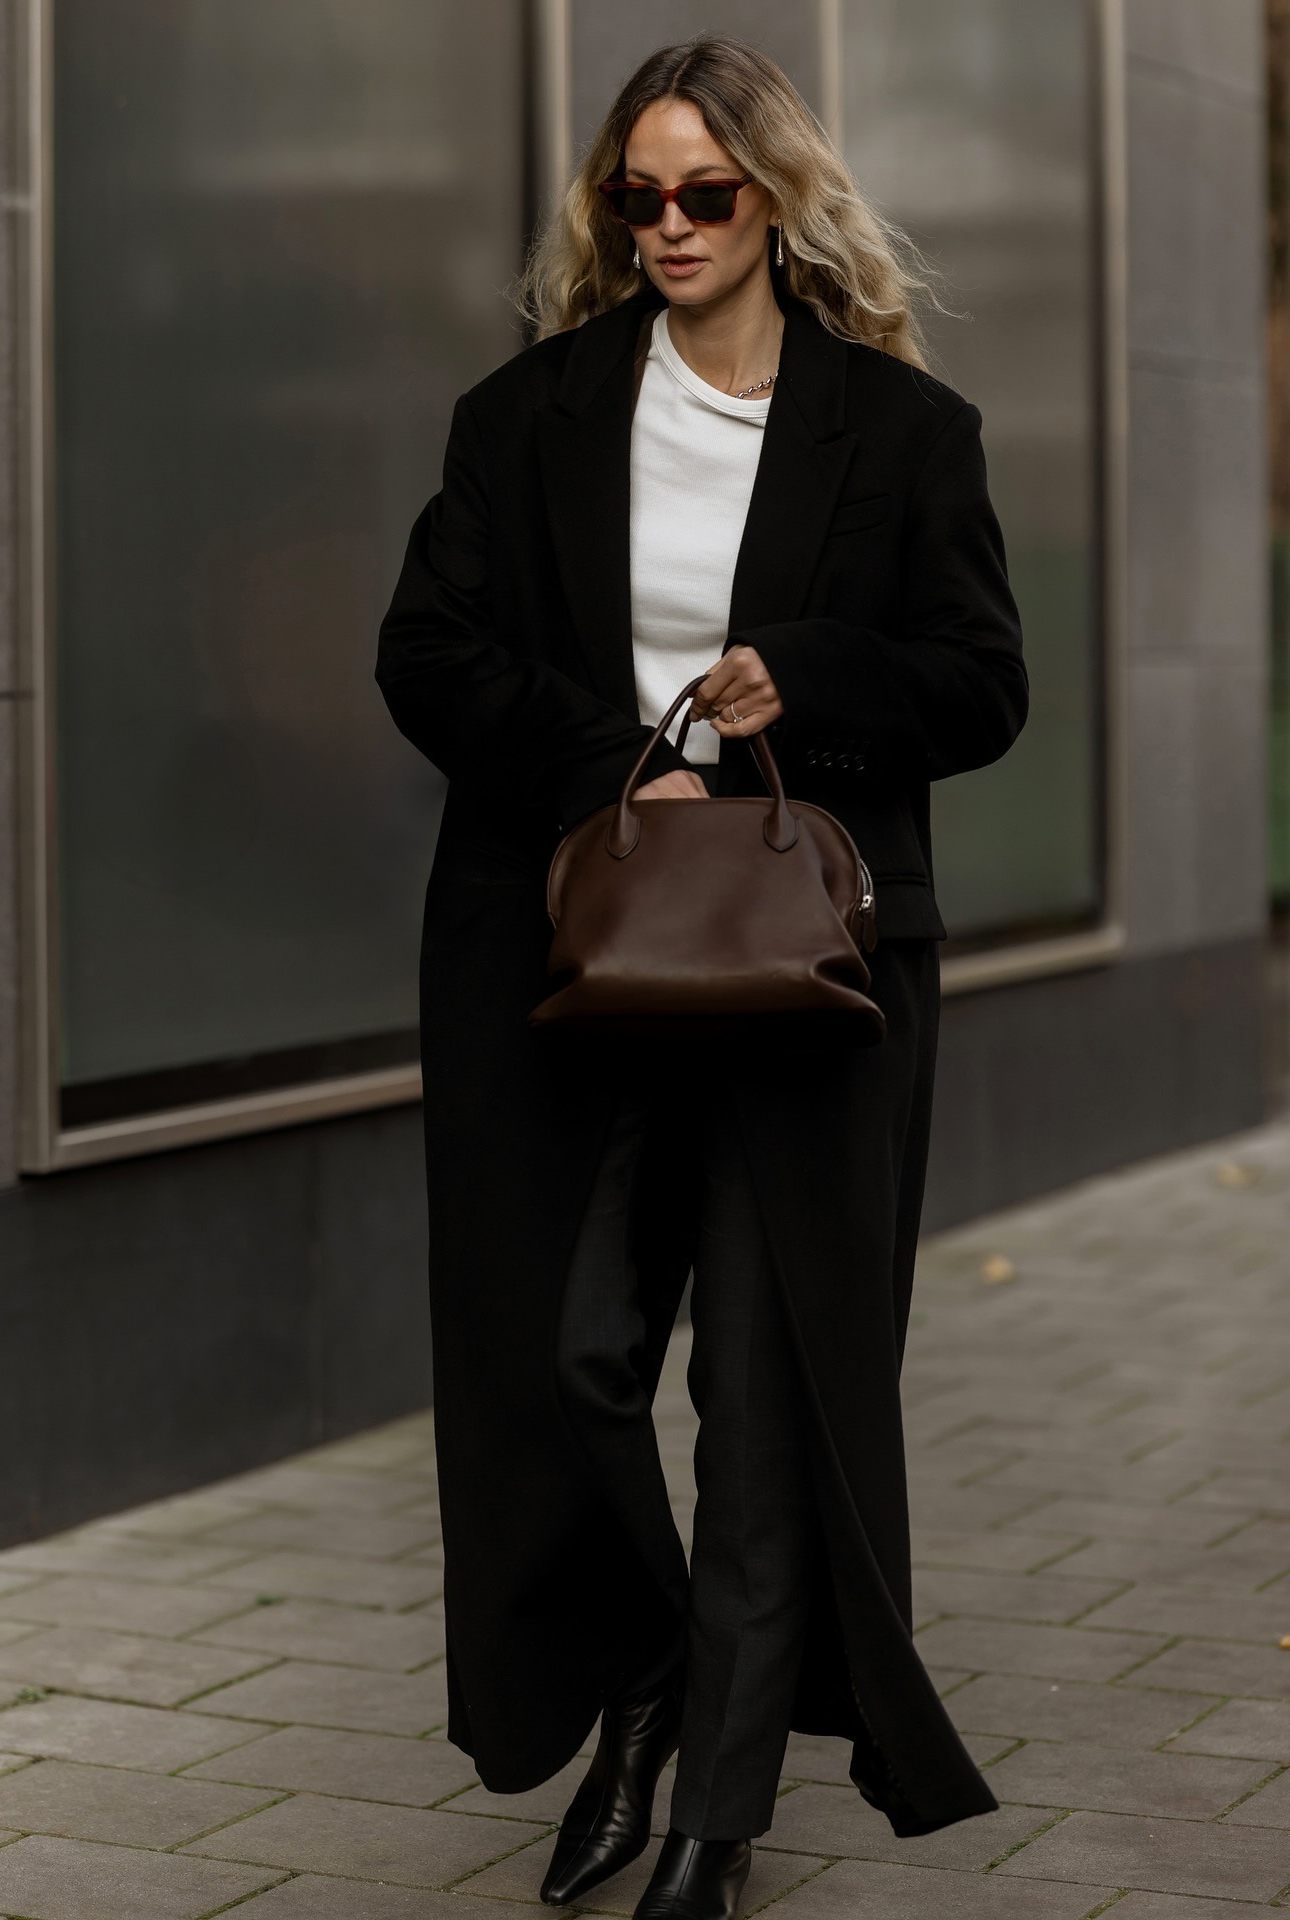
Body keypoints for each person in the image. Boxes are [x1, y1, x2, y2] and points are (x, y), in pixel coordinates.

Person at [377, 32, 1027, 1920]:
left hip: (810, 970)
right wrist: (618, 760)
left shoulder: (906, 433)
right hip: (566, 957)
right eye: (634, 196)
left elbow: (981, 686)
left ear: (775, 202)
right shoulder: (529, 417)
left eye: (703, 194)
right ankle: (653, 1672)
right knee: (561, 1360)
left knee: (768, 1389)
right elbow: (428, 655)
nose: (666, 224)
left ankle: (713, 1824)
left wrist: (802, 677)